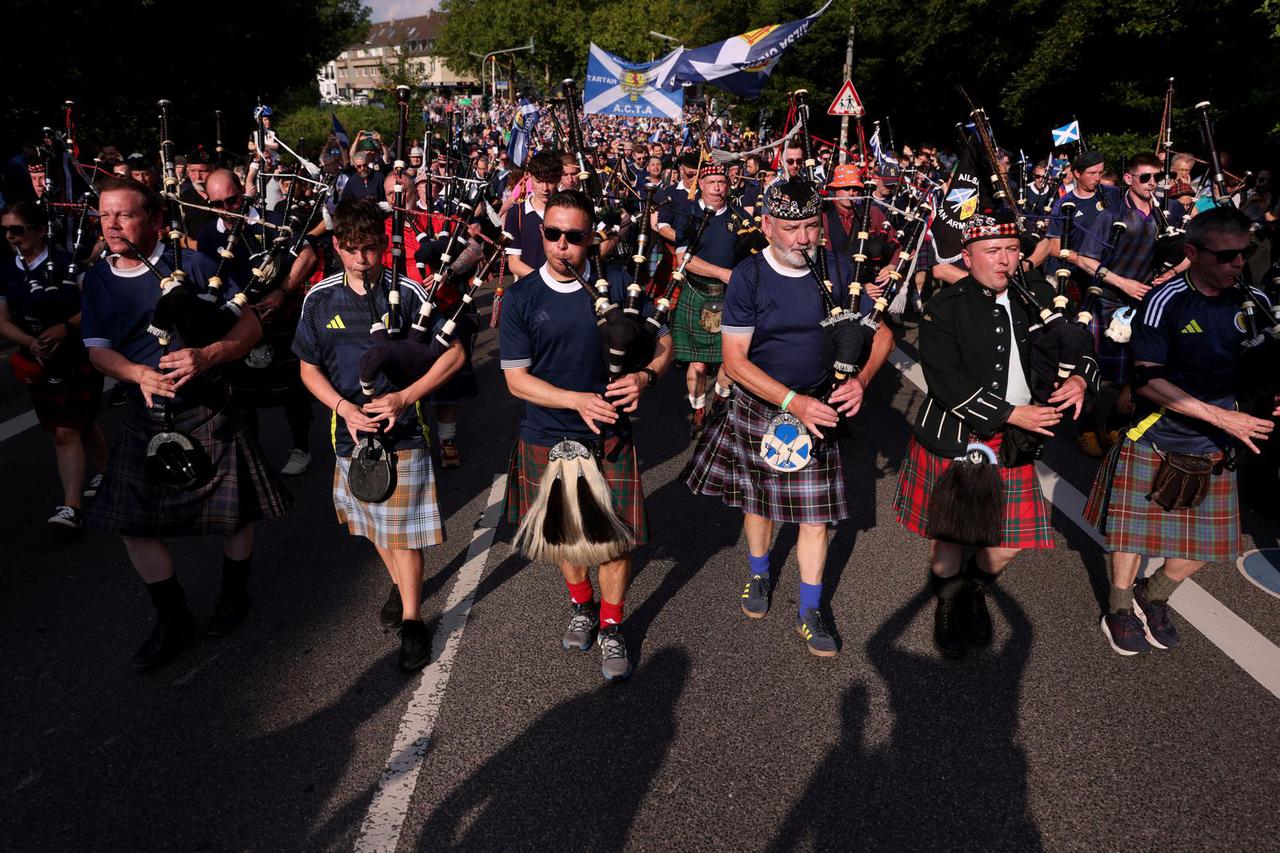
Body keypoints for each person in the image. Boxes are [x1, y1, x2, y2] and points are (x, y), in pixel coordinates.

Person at [81, 177, 291, 668]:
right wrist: (138, 375)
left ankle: (234, 595)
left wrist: (208, 354)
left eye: (124, 214)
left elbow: (250, 325)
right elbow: (96, 353)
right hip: (148, 410)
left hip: (210, 403)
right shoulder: (97, 280)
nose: (111, 225)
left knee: (236, 513)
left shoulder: (193, 265)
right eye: (105, 215)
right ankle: (172, 617)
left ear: (154, 220)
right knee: (133, 526)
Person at [686, 177, 895, 657]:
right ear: (766, 226)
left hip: (819, 405)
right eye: (788, 228)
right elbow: (736, 361)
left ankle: (810, 607)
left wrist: (860, 380)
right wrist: (792, 403)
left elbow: (882, 334)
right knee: (758, 502)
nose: (802, 238)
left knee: (815, 517)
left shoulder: (843, 270)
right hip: (765, 405)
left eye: (809, 226)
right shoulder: (748, 277)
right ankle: (759, 573)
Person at [893, 210, 1095, 658]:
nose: (1004, 260)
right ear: (967, 257)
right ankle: (947, 602)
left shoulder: (1040, 294)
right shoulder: (946, 307)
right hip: (956, 438)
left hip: (1016, 444)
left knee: (1007, 544)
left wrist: (1082, 377)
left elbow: (1083, 344)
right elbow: (946, 381)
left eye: (1011, 250)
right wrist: (1012, 414)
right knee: (950, 536)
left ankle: (975, 589)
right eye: (992, 251)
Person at [1084, 206, 1277, 655]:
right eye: (1226, 256)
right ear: (1192, 251)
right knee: (1129, 534)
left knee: (1209, 545)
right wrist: (1219, 415)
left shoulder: (1254, 301)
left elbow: (1262, 363)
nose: (1238, 264)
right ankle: (1118, 606)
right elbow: (1148, 381)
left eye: (1245, 254)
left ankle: (1152, 596)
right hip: (1159, 433)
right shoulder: (1165, 300)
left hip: (1219, 442)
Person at [499, 190, 673, 683]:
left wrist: (646, 378)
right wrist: (576, 400)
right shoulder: (521, 297)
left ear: (589, 239)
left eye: (573, 237)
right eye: (552, 234)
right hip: (547, 432)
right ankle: (582, 605)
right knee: (567, 538)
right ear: (542, 234)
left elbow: (664, 342)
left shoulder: (618, 283)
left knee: (615, 543)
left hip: (610, 434)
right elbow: (516, 379)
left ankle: (612, 623)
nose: (561, 245)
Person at [294, 198, 465, 672]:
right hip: (349, 434)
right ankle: (399, 582)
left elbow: (454, 357)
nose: (362, 259)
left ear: (382, 248)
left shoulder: (409, 295)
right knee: (375, 526)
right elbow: (308, 369)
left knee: (403, 535)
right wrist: (345, 409)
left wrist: (406, 396)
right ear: (337, 247)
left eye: (370, 248)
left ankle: (413, 623)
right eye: (351, 250)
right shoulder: (319, 300)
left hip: (404, 430)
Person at [1066, 152, 1189, 451]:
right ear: (1129, 179)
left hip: (1144, 304)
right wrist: (1123, 283)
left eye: (1158, 178)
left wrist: (1170, 273)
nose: (1153, 184)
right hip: (1107, 302)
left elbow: (1191, 254)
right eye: (1145, 177)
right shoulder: (1111, 215)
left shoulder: (1168, 213)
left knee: (1135, 375)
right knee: (1100, 374)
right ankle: (1087, 428)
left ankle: (1113, 427)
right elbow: (1084, 259)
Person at [0, 201, 108, 528]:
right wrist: (29, 341)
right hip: (40, 360)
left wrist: (67, 327)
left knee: (65, 430)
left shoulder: (67, 263)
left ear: (40, 230)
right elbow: (1, 319)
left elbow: (97, 304)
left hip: (76, 355)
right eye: (5, 230)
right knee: (81, 424)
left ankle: (71, 507)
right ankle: (111, 474)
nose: (10, 236)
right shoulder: (6, 271)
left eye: (17, 230)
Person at [669, 163, 748, 436]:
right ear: (700, 184)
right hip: (697, 291)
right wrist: (721, 273)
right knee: (699, 364)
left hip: (730, 296)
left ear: (728, 185)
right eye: (711, 182)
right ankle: (699, 406)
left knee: (729, 361)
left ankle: (722, 399)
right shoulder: (689, 214)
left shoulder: (738, 217)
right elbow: (683, 259)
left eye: (722, 182)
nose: (717, 188)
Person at [502, 149, 562, 279]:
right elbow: (514, 263)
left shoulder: (569, 209)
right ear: (529, 177)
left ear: (558, 179)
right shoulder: (516, 213)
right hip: (531, 289)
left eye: (550, 181)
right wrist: (545, 281)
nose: (545, 188)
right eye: (539, 181)